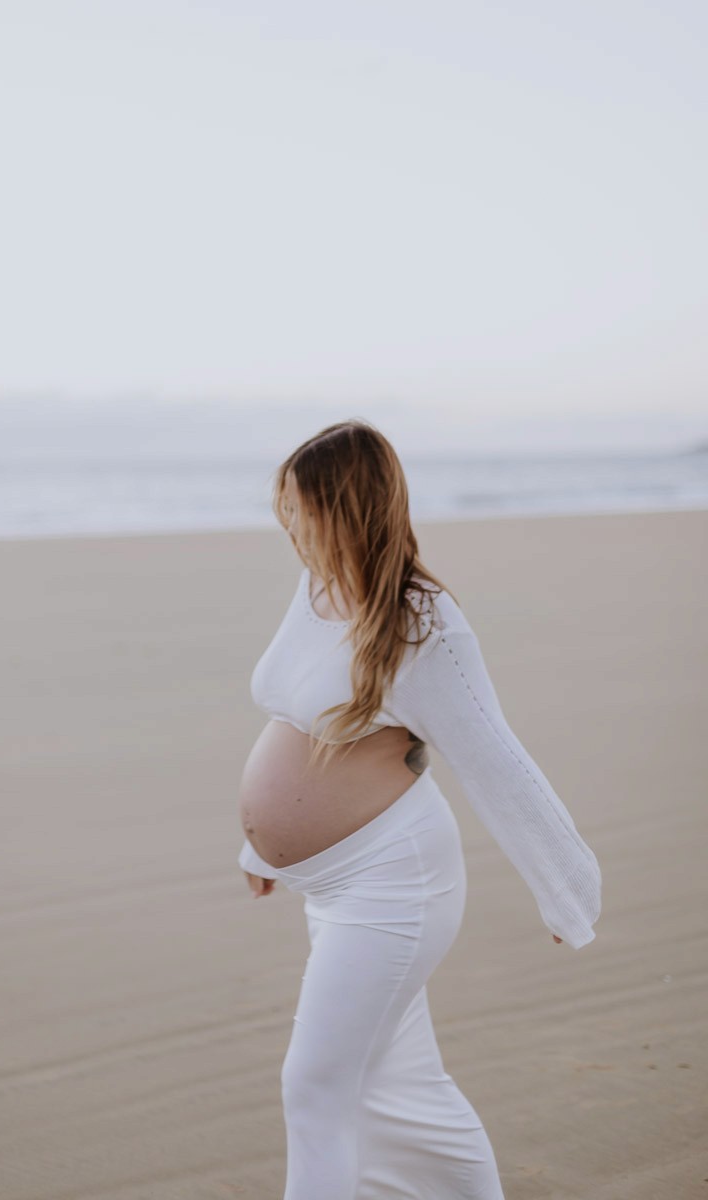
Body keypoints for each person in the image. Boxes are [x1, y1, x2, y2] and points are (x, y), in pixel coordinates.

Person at [237, 419, 602, 1200]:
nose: (291, 526)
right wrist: (264, 849)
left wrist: (565, 889)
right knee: (403, 1086)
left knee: (315, 1086)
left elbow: (498, 765)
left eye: (303, 509)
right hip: (337, 886)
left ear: (348, 506)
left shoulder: (423, 623)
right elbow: (301, 714)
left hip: (393, 884)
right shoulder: (318, 588)